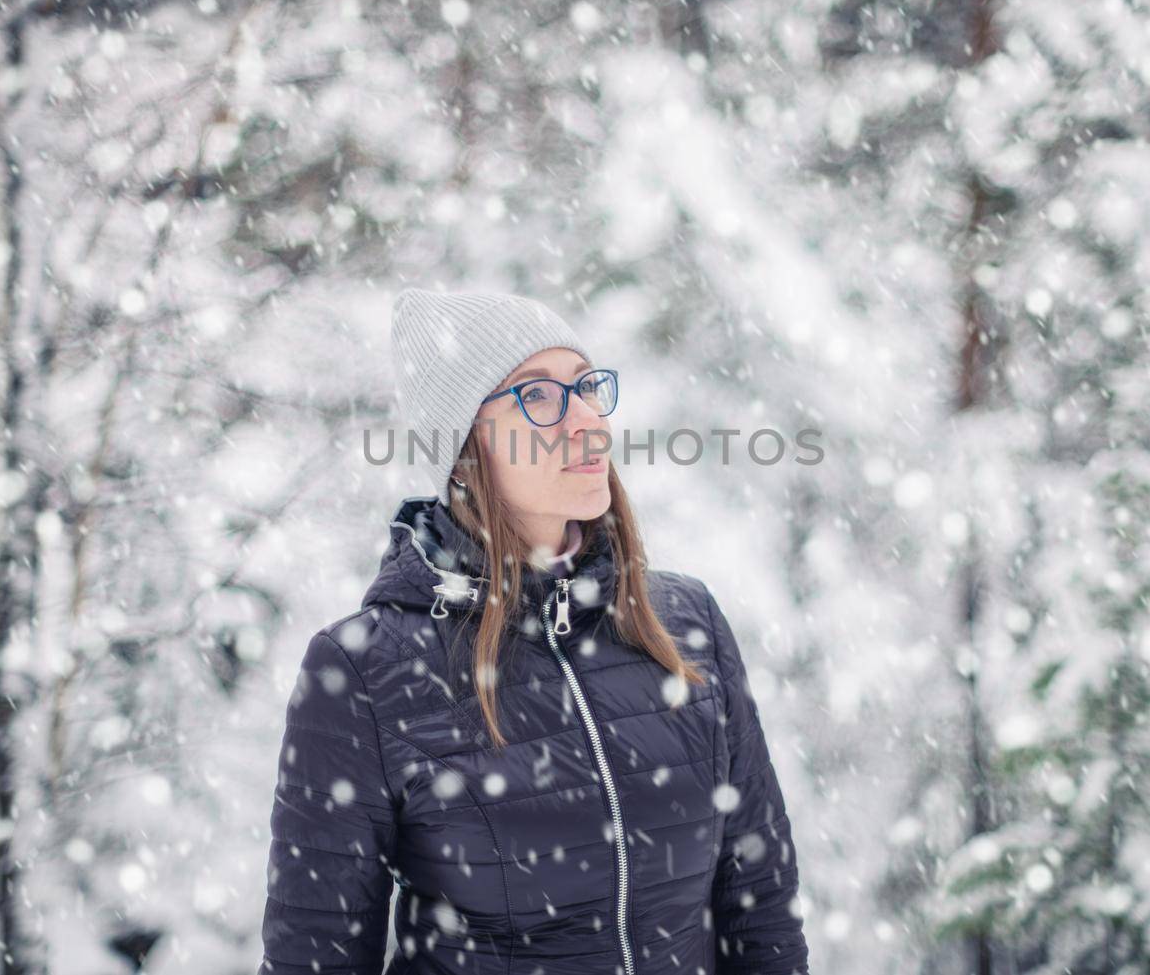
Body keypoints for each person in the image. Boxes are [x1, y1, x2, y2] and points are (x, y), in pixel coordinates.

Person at [256, 288, 811, 975]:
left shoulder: (685, 621)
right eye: (539, 396)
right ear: (464, 442)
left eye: (586, 387)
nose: (587, 422)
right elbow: (317, 961)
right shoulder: (366, 670)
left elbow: (760, 908)